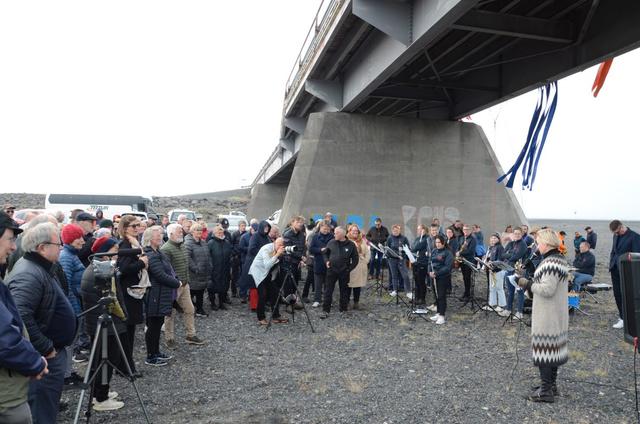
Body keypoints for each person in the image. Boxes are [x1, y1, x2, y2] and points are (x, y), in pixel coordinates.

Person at [7, 222, 77, 424]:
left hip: (50, 353)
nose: (61, 247)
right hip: (44, 356)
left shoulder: (40, 267)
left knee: (47, 406)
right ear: (42, 247)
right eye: (58, 243)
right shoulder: (29, 273)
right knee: (41, 410)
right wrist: (45, 348)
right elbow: (19, 315)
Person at [0, 212, 49, 423]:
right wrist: (34, 362)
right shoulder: (27, 273)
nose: (13, 247)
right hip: (6, 396)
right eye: (10, 239)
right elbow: (4, 338)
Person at [517, 228, 569, 403]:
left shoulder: (550, 263)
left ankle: (546, 391)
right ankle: (551, 386)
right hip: (555, 312)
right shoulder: (558, 260)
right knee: (552, 348)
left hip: (548, 314)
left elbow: (546, 289)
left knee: (545, 349)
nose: (536, 245)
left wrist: (526, 283)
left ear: (546, 244)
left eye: (538, 242)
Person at [79, 236, 125, 411]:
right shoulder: (100, 272)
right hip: (105, 324)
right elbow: (111, 300)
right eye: (114, 250)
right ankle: (100, 397)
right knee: (105, 359)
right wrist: (123, 316)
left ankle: (99, 392)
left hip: (100, 323)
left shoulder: (97, 268)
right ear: (105, 253)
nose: (117, 254)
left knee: (101, 358)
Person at [142, 226, 181, 366]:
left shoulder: (157, 252)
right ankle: (151, 356)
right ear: (149, 238)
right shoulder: (150, 254)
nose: (159, 237)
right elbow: (159, 275)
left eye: (160, 235)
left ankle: (156, 352)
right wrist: (176, 283)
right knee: (153, 325)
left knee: (158, 325)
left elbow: (168, 270)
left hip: (161, 293)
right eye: (156, 236)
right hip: (155, 294)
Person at [115, 215, 148, 377]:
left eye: (138, 225)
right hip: (128, 294)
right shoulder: (126, 245)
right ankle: (126, 368)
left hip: (132, 292)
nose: (137, 228)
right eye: (133, 226)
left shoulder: (133, 244)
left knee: (129, 331)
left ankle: (124, 366)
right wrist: (142, 263)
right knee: (127, 332)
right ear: (125, 228)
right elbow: (124, 268)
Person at [161, 224, 204, 347]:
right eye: (179, 232)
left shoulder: (183, 246)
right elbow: (167, 270)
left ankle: (190, 335)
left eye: (181, 231)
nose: (182, 233)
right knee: (170, 313)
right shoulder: (166, 249)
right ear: (170, 234)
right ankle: (169, 339)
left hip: (185, 285)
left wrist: (186, 280)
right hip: (173, 287)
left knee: (189, 309)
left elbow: (185, 265)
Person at [58, 223, 89, 383]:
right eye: (79, 237)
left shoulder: (72, 254)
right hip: (73, 307)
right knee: (68, 344)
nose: (83, 241)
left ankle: (67, 373)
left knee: (71, 342)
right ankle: (65, 375)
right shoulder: (66, 257)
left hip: (77, 304)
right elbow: (65, 286)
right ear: (70, 239)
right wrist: (75, 310)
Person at [320, 227, 359, 319]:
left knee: (344, 291)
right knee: (328, 291)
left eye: (336, 233)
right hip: (331, 270)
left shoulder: (351, 245)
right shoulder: (331, 242)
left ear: (342, 234)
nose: (334, 234)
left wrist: (348, 269)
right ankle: (325, 310)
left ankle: (343, 309)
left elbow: (355, 259)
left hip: (344, 272)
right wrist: (326, 261)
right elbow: (325, 253)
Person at [249, 237, 289, 325]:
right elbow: (267, 265)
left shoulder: (279, 250)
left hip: (267, 274)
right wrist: (277, 255)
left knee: (275, 293)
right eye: (279, 244)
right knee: (262, 295)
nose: (281, 247)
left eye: (282, 245)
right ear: (274, 242)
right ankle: (261, 318)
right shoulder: (266, 249)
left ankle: (276, 316)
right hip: (258, 273)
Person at [608, 220, 640, 329]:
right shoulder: (616, 236)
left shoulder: (635, 237)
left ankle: (630, 319)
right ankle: (622, 317)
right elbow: (613, 251)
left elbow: (636, 256)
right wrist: (611, 263)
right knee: (617, 294)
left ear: (622, 227)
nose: (616, 234)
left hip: (627, 271)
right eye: (614, 233)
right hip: (615, 269)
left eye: (617, 232)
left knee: (627, 295)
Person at [239, 221, 272, 303]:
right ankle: (254, 304)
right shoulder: (255, 236)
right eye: (265, 227)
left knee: (261, 284)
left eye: (267, 227)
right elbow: (252, 249)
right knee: (254, 284)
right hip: (254, 262)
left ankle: (261, 303)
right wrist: (263, 254)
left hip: (263, 264)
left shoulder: (267, 237)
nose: (266, 229)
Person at [499, 228, 528, 319]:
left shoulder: (523, 244)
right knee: (510, 290)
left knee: (519, 291)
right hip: (508, 268)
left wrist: (509, 254)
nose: (517, 235)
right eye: (515, 233)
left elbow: (516, 256)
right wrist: (510, 254)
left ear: (522, 234)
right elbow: (502, 254)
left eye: (519, 233)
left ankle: (519, 312)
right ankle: (508, 310)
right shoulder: (511, 243)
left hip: (518, 270)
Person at [184, 222, 212, 318]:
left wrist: (209, 265)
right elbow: (187, 258)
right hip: (194, 273)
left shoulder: (203, 242)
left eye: (200, 230)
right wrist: (195, 268)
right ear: (192, 231)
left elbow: (208, 256)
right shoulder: (188, 243)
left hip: (203, 272)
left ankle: (199, 309)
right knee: (191, 292)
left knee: (200, 292)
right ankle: (188, 310)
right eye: (197, 230)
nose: (199, 232)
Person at [429, 235, 453, 325]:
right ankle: (438, 313)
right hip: (433, 276)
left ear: (443, 243)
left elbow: (447, 267)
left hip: (443, 277)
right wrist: (430, 272)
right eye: (436, 242)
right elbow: (429, 262)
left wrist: (437, 273)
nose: (437, 244)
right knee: (436, 296)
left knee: (442, 296)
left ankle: (442, 316)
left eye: (439, 242)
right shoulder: (434, 250)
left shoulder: (448, 253)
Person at [308, 222, 333, 308]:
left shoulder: (332, 237)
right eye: (324, 229)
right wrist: (319, 250)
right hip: (318, 261)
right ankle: (317, 300)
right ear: (320, 228)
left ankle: (327, 300)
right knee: (318, 283)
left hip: (329, 263)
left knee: (328, 283)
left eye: (327, 229)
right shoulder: (315, 237)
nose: (325, 230)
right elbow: (311, 249)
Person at [208, 225, 233, 311]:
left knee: (224, 287)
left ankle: (221, 303)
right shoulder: (210, 243)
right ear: (214, 233)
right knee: (212, 287)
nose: (220, 234)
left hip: (225, 269)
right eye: (218, 232)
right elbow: (208, 257)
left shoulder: (227, 242)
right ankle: (212, 303)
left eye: (222, 232)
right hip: (214, 269)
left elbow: (230, 254)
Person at [281, 216, 307, 297]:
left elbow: (303, 246)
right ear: (292, 222)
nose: (300, 224)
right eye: (298, 222)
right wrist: (301, 257)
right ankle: (288, 303)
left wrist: (303, 256)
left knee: (295, 282)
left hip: (297, 262)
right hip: (288, 262)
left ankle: (293, 301)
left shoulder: (302, 234)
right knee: (289, 283)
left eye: (301, 223)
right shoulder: (287, 234)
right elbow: (288, 249)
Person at [347, 224, 370, 310]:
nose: (355, 232)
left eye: (356, 231)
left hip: (361, 265)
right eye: (353, 231)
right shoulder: (347, 240)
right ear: (350, 231)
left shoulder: (362, 240)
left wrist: (366, 261)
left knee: (358, 285)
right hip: (351, 266)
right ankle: (347, 301)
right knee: (348, 284)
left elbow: (367, 252)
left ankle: (356, 302)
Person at [386, 224, 411, 298]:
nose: (395, 232)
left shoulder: (404, 238)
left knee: (405, 275)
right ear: (392, 231)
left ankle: (409, 291)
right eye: (394, 230)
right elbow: (387, 248)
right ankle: (395, 290)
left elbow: (408, 248)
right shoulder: (390, 238)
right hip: (392, 260)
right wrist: (389, 255)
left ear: (400, 230)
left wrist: (404, 256)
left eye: (397, 230)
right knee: (394, 275)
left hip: (401, 259)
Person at [411, 224, 434, 307]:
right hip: (416, 262)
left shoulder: (426, 238)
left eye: (420, 229)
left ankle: (422, 298)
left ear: (424, 230)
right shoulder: (418, 238)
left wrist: (415, 247)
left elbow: (415, 247)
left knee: (421, 281)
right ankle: (416, 297)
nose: (418, 231)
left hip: (423, 262)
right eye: (418, 229)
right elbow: (412, 247)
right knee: (416, 280)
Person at [483, 233, 507, 312]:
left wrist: (492, 263)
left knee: (499, 288)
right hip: (492, 270)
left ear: (498, 239)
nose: (493, 240)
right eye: (491, 238)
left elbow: (500, 260)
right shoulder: (492, 248)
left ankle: (501, 305)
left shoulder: (500, 247)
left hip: (498, 271)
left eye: (495, 238)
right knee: (492, 288)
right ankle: (492, 304)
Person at [456, 224, 477, 302]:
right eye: (464, 229)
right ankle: (466, 293)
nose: (465, 231)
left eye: (467, 229)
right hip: (462, 261)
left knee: (468, 278)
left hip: (469, 261)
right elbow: (458, 247)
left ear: (470, 230)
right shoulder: (461, 238)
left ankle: (468, 294)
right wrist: (457, 252)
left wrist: (460, 253)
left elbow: (470, 251)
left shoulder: (473, 239)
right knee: (464, 278)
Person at [230, 220, 247, 299]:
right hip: (236, 257)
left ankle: (242, 291)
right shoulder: (235, 234)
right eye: (242, 226)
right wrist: (234, 253)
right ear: (239, 226)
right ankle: (233, 291)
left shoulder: (247, 234)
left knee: (243, 274)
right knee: (234, 275)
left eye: (244, 226)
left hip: (243, 257)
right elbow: (231, 245)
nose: (243, 227)